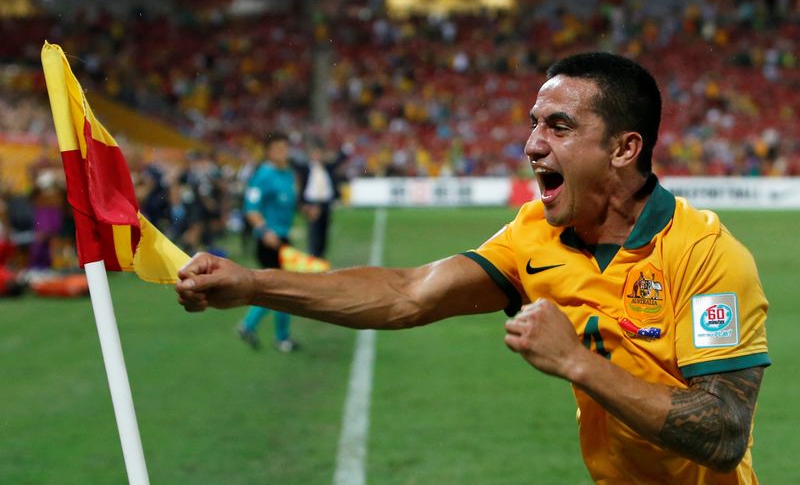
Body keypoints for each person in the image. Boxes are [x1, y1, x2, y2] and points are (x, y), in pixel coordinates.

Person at [177, 52, 770, 484]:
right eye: (533, 123)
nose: (533, 144)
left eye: (559, 127)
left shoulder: (704, 255)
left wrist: (574, 362)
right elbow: (409, 294)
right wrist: (254, 283)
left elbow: (721, 430)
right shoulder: (534, 233)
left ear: (623, 149)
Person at [235, 132, 300, 353]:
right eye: (279, 149)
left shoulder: (288, 173)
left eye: (285, 148)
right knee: (283, 288)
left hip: (282, 236)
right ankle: (280, 337)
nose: (283, 152)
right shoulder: (263, 175)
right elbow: (250, 209)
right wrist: (264, 231)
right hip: (269, 240)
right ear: (269, 152)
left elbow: (287, 203)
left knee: (278, 288)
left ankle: (250, 325)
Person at [296, 139, 347, 258]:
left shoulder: (327, 167)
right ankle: (314, 258)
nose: (317, 156)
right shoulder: (305, 168)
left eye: (319, 153)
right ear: (310, 154)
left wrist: (347, 146)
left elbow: (340, 159)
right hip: (312, 204)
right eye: (315, 153)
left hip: (326, 204)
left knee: (324, 232)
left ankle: (321, 257)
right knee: (314, 233)